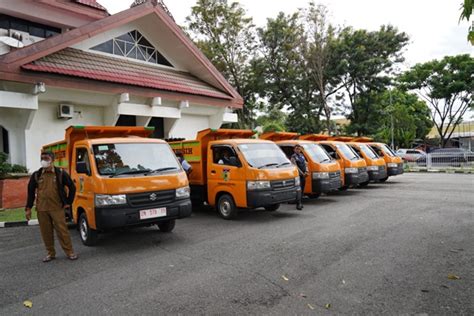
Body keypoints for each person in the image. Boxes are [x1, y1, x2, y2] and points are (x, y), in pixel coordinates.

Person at [25, 151, 78, 262]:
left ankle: (70, 252)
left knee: (62, 231)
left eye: (46, 158)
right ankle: (50, 253)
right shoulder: (37, 175)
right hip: (42, 209)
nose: (43, 160)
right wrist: (28, 208)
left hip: (57, 208)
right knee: (46, 232)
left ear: (52, 160)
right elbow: (30, 191)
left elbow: (72, 187)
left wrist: (68, 201)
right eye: (42, 158)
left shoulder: (60, 174)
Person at [291, 145, 308, 210]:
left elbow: (305, 164)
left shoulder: (302, 156)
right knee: (299, 190)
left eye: (299, 149)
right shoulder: (293, 157)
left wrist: (306, 171)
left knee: (302, 189)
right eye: (296, 149)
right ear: (294, 150)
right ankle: (298, 204)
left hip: (303, 175)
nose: (298, 150)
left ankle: (301, 202)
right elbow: (295, 167)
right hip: (298, 176)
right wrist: (302, 173)